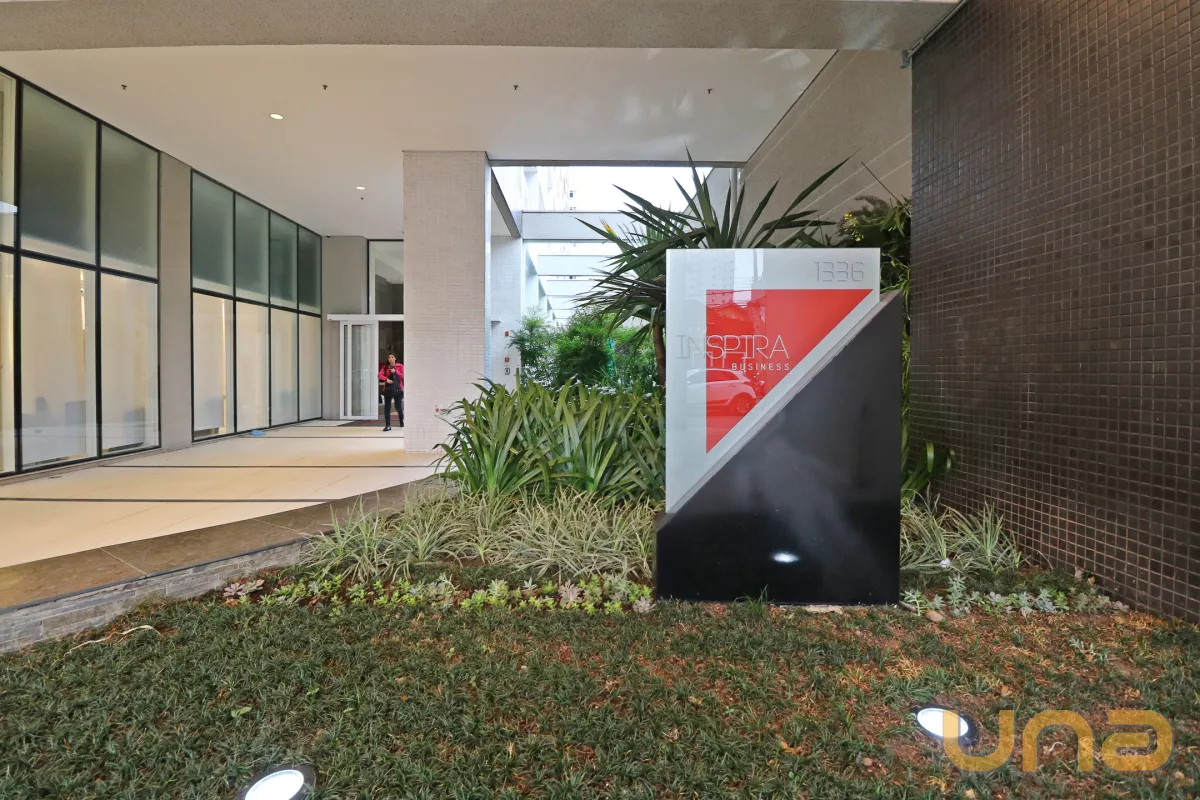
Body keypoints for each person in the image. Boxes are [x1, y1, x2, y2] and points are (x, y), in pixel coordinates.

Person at [378, 354, 404, 431]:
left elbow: (404, 376)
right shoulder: (385, 367)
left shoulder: (400, 366)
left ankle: (401, 420)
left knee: (398, 407)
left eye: (392, 357)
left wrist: (396, 372)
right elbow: (379, 375)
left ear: (395, 358)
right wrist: (386, 379)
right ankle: (388, 425)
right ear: (388, 359)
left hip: (398, 389)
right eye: (389, 357)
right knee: (387, 408)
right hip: (388, 389)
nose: (391, 359)